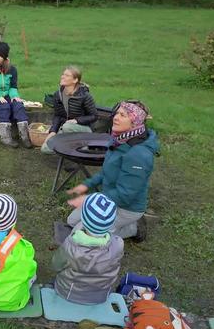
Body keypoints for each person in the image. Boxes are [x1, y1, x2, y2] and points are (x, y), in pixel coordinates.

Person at [65, 100, 159, 242]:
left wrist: (88, 199)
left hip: (127, 207)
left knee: (80, 236)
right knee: (71, 221)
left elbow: (125, 195)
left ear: (135, 122)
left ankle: (134, 227)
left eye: (123, 115)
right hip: (108, 198)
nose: (115, 117)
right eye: (117, 113)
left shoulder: (138, 155)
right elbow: (106, 172)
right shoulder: (118, 140)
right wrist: (87, 184)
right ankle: (110, 227)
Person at [51, 193, 124, 305]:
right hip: (100, 296)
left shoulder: (71, 246)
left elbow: (56, 265)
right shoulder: (118, 244)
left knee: (56, 279)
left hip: (69, 294)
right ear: (111, 223)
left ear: (83, 219)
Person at [41, 66, 98, 154]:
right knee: (45, 149)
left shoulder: (85, 96)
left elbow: (94, 116)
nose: (62, 76)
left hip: (83, 129)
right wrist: (53, 131)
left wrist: (77, 120)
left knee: (67, 126)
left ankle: (81, 148)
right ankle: (74, 149)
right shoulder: (58, 95)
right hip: (65, 128)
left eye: (67, 75)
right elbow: (58, 115)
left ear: (75, 80)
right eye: (63, 74)